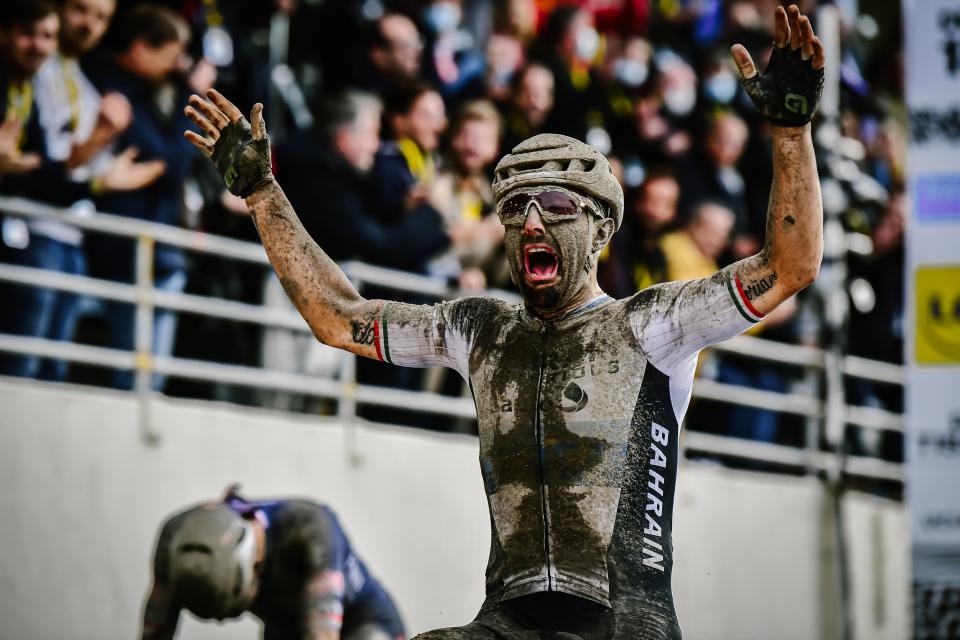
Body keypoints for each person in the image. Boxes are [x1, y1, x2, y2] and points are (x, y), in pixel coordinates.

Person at [183, 5, 825, 637]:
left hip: (626, 621)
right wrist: (264, 195)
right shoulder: (481, 329)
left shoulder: (653, 324)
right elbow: (338, 318)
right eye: (515, 208)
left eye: (553, 205)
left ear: (601, 228)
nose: (531, 223)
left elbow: (791, 266)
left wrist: (791, 134)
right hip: (509, 619)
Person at [0, 0, 164, 380]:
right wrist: (93, 166)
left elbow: (61, 164)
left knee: (51, 371)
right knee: (20, 369)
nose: (90, 24)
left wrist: (98, 162)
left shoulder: (82, 80)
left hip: (71, 230)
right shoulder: (33, 69)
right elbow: (48, 162)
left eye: (103, 17)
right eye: (81, 10)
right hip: (33, 230)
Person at [85, 4, 197, 391]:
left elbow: (166, 165)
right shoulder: (105, 83)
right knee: (130, 375)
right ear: (139, 48)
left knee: (150, 376)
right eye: (171, 55)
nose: (176, 65)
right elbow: (168, 161)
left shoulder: (147, 91)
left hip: (156, 242)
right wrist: (190, 96)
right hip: (124, 244)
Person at [141, 487, 406, 640]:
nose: (223, 623)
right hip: (285, 628)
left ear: (254, 565)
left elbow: (321, 635)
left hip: (364, 623)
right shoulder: (175, 537)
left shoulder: (308, 529)